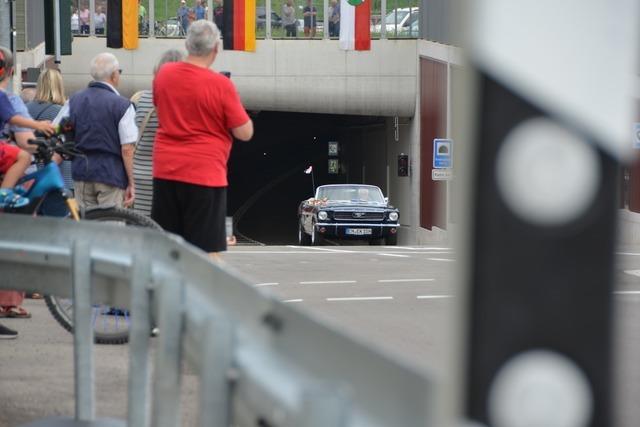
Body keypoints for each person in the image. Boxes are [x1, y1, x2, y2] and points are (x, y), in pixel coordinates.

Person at [152, 20, 253, 257]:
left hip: (166, 170)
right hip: (204, 174)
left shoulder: (164, 75)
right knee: (205, 251)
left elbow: (159, 108)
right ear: (215, 48)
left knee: (168, 246)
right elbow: (244, 132)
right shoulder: (221, 85)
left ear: (187, 44)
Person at [56, 53, 137, 209]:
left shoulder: (73, 101)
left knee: (87, 226)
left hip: (81, 172)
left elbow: (59, 133)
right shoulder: (123, 105)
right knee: (110, 225)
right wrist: (132, 183)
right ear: (114, 75)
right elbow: (127, 149)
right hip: (111, 175)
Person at [131, 49, 184, 219]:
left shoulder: (139, 99)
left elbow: (128, 140)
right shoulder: (185, 103)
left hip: (140, 176)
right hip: (172, 176)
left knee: (142, 227)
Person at [27, 69, 74, 193]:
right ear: (59, 86)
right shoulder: (62, 112)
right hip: (60, 176)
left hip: (32, 171)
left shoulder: (25, 109)